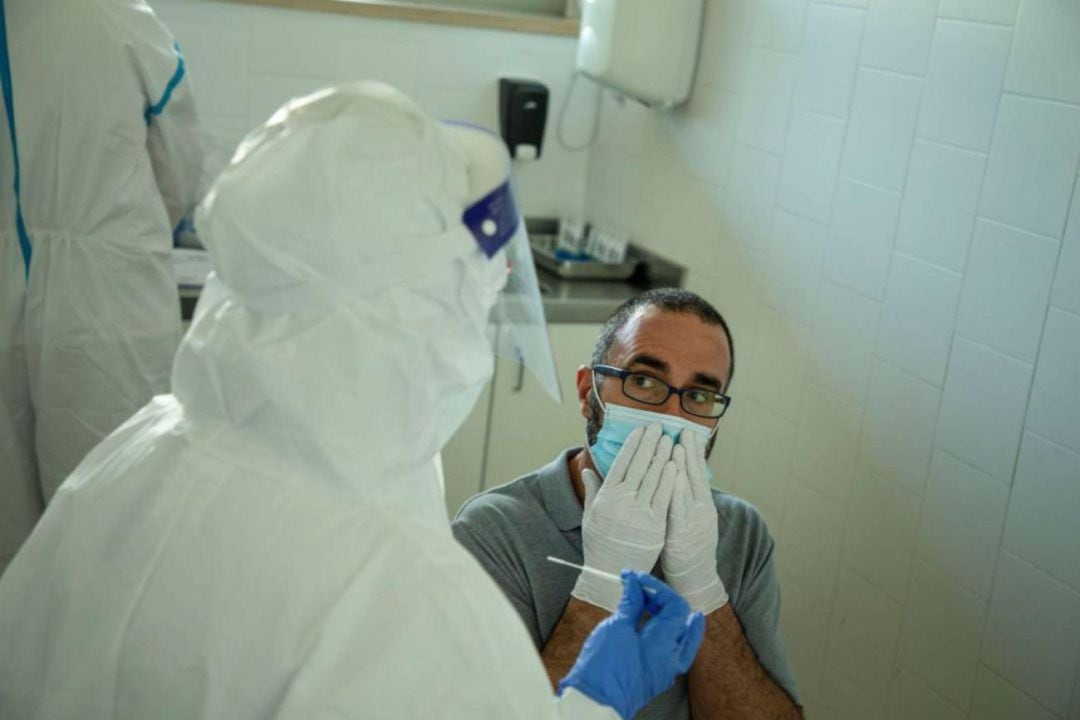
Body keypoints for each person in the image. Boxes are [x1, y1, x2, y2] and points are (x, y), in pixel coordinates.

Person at [0, 82, 706, 720]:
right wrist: (595, 701)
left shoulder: (131, 457)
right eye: (474, 299)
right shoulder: (402, 589)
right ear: (418, 318)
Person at [453, 288, 805, 718]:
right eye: (643, 381)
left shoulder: (741, 533)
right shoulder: (493, 531)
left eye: (698, 395)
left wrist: (703, 591)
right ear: (588, 393)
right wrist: (602, 585)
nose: (672, 416)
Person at [0, 0, 202, 574]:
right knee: (114, 509)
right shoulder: (118, 16)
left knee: (10, 524)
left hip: (16, 282)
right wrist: (127, 233)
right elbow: (178, 160)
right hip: (106, 292)